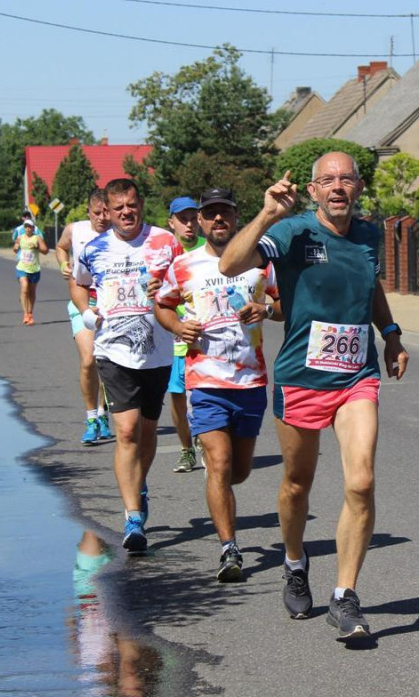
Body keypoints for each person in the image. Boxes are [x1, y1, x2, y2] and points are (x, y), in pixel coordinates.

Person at [219, 153, 409, 640]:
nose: (338, 186)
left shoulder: (369, 236)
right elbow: (230, 262)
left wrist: (389, 333)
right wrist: (266, 214)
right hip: (301, 378)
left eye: (346, 178)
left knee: (361, 481)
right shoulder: (292, 232)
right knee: (297, 485)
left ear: (359, 186)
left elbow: (371, 288)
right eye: (328, 180)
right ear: (313, 189)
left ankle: (344, 597)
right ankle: (294, 561)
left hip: (355, 377)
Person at [156, 188, 282, 582]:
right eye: (209, 214)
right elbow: (162, 304)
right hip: (205, 381)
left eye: (224, 212)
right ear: (200, 221)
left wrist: (267, 308)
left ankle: (223, 498)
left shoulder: (261, 263)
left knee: (237, 472)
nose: (217, 220)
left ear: (235, 215)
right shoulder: (184, 265)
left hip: (249, 380)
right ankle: (229, 548)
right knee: (219, 463)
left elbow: (288, 304)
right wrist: (178, 325)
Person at [72, 178, 177, 553]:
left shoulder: (166, 241)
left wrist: (167, 294)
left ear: (141, 203)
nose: (126, 213)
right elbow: (78, 283)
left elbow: (185, 283)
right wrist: (86, 312)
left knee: (148, 431)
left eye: (131, 205)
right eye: (118, 209)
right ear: (109, 211)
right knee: (127, 431)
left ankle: (139, 482)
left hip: (157, 350)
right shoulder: (94, 248)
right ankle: (133, 517)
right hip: (112, 350)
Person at [56, 189, 114, 446]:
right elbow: (60, 246)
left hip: (110, 304)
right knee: (89, 359)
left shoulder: (120, 234)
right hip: (82, 302)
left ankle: (103, 412)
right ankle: (91, 417)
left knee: (105, 362)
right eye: (97, 213)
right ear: (88, 212)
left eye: (106, 212)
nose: (102, 218)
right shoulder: (75, 229)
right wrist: (63, 263)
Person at [166, 196, 207, 473]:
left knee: (202, 396)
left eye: (193, 218)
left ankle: (206, 442)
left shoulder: (211, 250)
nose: (189, 224)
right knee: (178, 399)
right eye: (183, 219)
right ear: (172, 223)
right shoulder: (164, 252)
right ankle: (186, 448)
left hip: (202, 340)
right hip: (172, 339)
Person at [14, 219, 49, 325]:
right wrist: (16, 247)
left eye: (30, 226)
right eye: (26, 226)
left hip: (34, 268)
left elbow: (46, 251)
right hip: (22, 267)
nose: (28, 228)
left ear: (33, 228)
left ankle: (30, 313)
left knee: (32, 292)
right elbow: (15, 248)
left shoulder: (37, 238)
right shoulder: (20, 238)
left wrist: (37, 247)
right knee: (24, 289)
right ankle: (25, 314)